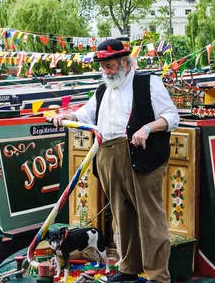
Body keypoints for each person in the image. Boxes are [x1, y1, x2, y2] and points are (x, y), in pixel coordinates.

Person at [50, 39, 179, 283]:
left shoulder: (148, 83)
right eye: (103, 67)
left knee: (150, 217)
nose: (106, 71)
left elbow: (171, 116)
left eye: (109, 66)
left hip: (140, 153)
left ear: (124, 62)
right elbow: (86, 114)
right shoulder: (103, 90)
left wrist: (148, 129)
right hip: (108, 155)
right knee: (122, 217)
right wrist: (68, 115)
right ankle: (129, 268)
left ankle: (158, 276)